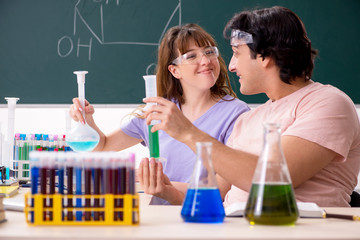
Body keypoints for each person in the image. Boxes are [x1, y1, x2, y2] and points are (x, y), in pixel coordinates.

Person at [142, 6, 360, 207]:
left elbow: (274, 179)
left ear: (264, 56)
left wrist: (188, 133)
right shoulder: (248, 120)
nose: (232, 66)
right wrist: (168, 190)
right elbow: (218, 192)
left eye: (237, 53)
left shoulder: (327, 103)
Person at [69, 23, 250, 204]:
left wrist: (164, 186)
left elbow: (220, 190)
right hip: (159, 219)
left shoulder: (237, 114)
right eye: (192, 56)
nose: (205, 61)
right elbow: (103, 147)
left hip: (204, 219)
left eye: (209, 52)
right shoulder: (159, 111)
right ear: (174, 70)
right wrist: (87, 120)